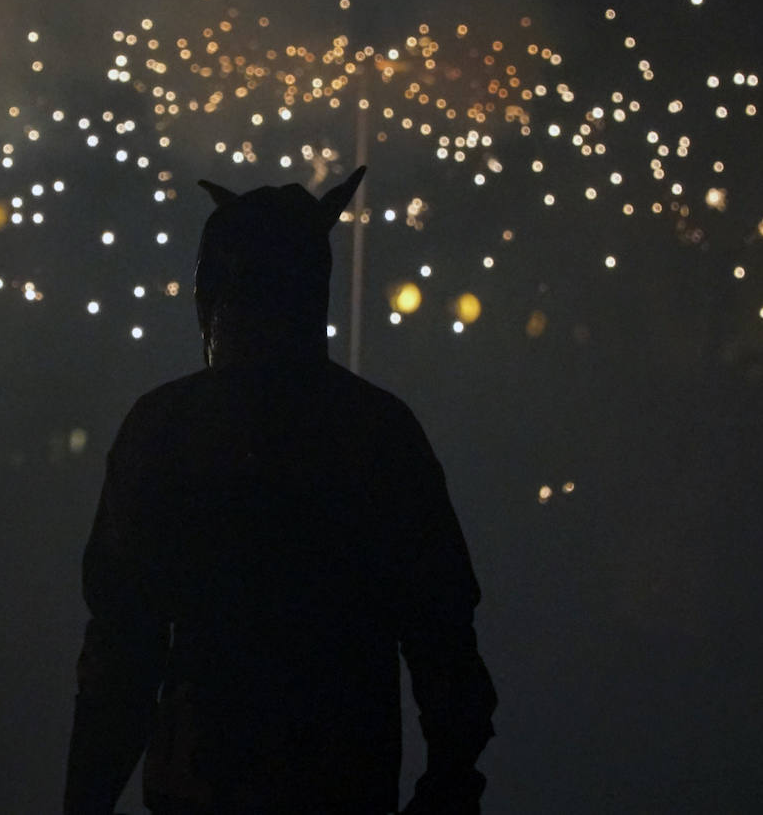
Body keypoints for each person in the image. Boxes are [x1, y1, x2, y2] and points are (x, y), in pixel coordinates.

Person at [65, 168, 496, 814]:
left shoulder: (167, 427)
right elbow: (443, 633)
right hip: (341, 787)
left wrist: (85, 800)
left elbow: (122, 650)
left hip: (202, 787)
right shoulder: (376, 429)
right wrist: (451, 780)